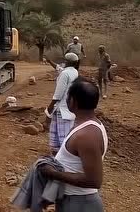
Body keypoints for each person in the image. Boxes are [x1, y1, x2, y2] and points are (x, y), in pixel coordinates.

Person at [41, 77, 108, 212]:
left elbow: (94, 181)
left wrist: (53, 173)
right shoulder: (83, 125)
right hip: (74, 201)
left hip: (80, 204)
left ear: (73, 101)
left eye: (68, 96)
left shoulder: (87, 135)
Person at [43, 53, 80, 155]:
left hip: (61, 110)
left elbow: (58, 95)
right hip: (68, 110)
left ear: (67, 61)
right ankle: (59, 159)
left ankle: (61, 161)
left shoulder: (65, 74)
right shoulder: (74, 72)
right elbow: (59, 68)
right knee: (62, 137)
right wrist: (50, 61)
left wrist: (48, 112)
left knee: (60, 140)